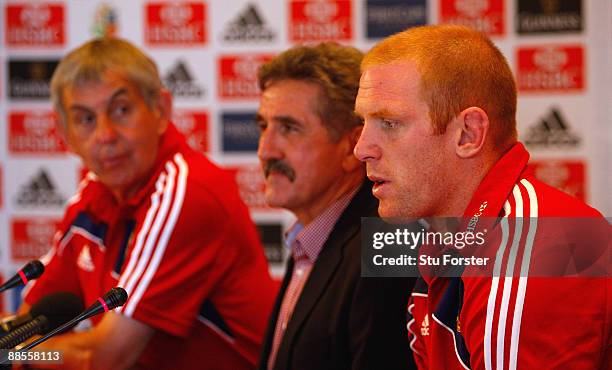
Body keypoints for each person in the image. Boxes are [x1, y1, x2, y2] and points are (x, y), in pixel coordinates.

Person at [354, 24, 610, 369]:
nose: (362, 149)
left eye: (389, 123)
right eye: (364, 123)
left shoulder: (534, 250)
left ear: (468, 134)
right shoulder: (453, 237)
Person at [19, 37, 277, 370]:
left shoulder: (188, 191)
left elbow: (103, 358)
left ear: (161, 110)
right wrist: (16, 347)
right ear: (64, 132)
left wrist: (19, 354)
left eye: (121, 110)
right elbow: (30, 322)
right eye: (85, 119)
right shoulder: (93, 195)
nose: (105, 135)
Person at [255, 42, 415, 370]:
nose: (265, 150)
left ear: (352, 147)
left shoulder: (386, 246)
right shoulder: (311, 236)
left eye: (288, 128)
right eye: (263, 127)